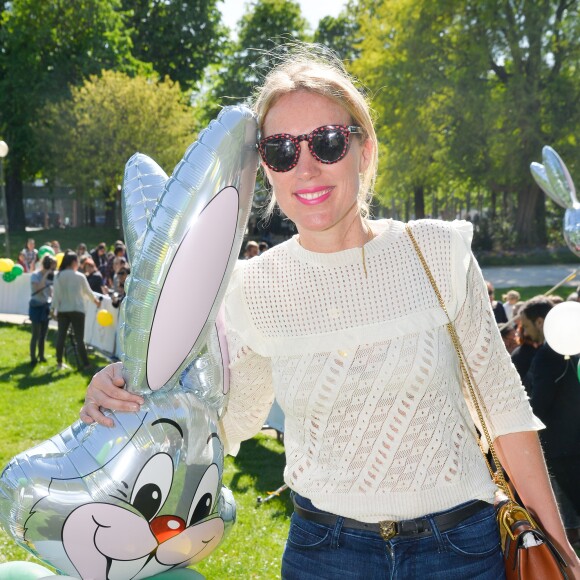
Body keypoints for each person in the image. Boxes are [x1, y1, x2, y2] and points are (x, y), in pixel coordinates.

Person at [79, 47, 580, 579]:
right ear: (264, 171)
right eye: (280, 150)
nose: (308, 167)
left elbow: (504, 408)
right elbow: (222, 424)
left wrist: (558, 546)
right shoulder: (252, 287)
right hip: (326, 556)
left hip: (461, 552)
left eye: (328, 141)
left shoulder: (437, 251)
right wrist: (122, 392)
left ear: (363, 151)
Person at [519, 297, 580, 518]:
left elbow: (540, 402)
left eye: (526, 326)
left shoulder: (548, 354)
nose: (524, 332)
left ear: (540, 322)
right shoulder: (570, 350)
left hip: (563, 446)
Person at [51, 251, 100, 370]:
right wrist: (96, 301)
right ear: (73, 262)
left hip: (63, 310)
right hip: (78, 311)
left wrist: (53, 309)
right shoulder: (80, 276)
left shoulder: (58, 276)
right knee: (79, 339)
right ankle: (86, 364)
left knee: (61, 337)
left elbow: (55, 295)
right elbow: (88, 292)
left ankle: (59, 362)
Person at [28, 254, 57, 365]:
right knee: (35, 334)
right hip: (36, 306)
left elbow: (51, 293)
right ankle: (33, 358)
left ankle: (41, 356)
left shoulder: (50, 276)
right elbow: (39, 289)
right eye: (52, 266)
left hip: (45, 306)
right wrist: (46, 275)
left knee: (43, 334)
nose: (53, 269)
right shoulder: (35, 275)